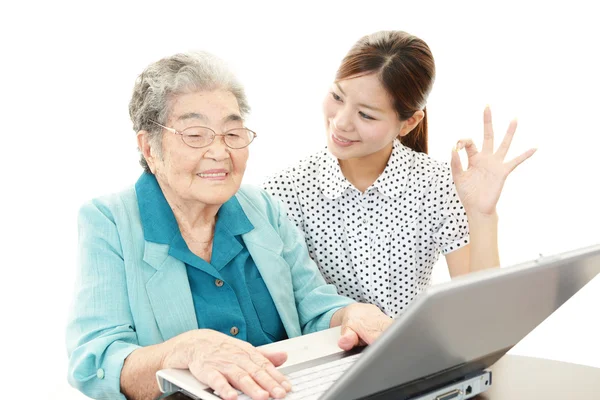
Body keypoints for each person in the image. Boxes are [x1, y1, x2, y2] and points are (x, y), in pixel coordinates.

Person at [66, 51, 393, 400]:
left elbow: (313, 305)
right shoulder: (110, 221)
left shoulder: (262, 208)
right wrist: (182, 350)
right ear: (150, 147)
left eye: (233, 132)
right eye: (196, 135)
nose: (221, 152)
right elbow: (94, 360)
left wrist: (350, 314)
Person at [263, 30, 536, 317]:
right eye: (337, 96)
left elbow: (482, 312)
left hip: (414, 356)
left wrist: (482, 214)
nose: (341, 122)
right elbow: (285, 313)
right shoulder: (285, 191)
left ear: (409, 123)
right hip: (328, 356)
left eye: (366, 114)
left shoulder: (436, 184)